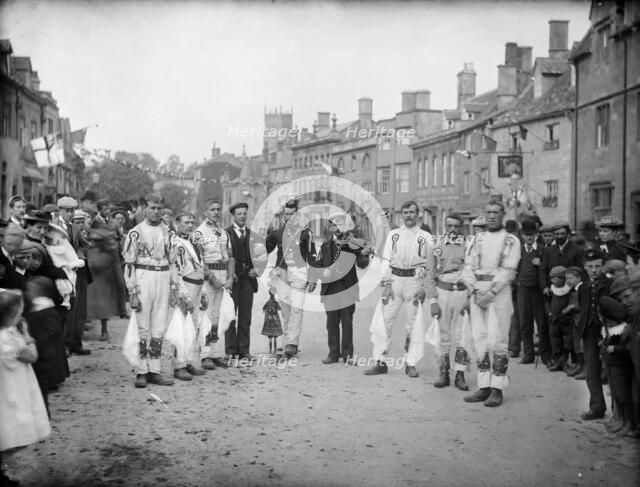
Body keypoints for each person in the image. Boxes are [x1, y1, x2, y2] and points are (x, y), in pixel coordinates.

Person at [461, 199, 521, 407]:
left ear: (503, 214)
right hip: (477, 293)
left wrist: (491, 292)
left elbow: (508, 271)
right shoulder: (476, 239)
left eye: (496, 212)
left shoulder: (511, 240)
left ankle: (497, 389)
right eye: (489, 212)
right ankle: (484, 386)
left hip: (499, 295)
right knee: (479, 338)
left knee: (498, 341)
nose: (492, 216)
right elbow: (467, 268)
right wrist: (476, 291)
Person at [364, 200, 433, 378]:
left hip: (414, 280)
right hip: (395, 280)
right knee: (384, 320)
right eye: (405, 212)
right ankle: (380, 361)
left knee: (413, 324)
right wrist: (387, 283)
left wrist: (424, 287)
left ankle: (410, 363)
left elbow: (431, 264)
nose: (409, 215)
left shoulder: (425, 236)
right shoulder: (394, 234)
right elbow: (386, 259)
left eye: (412, 212)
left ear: (418, 214)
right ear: (401, 214)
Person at [122, 193, 177, 388]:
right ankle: (142, 371)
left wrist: (173, 287)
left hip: (162, 277)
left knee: (159, 325)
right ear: (144, 209)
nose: (156, 212)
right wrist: (133, 292)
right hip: (144, 277)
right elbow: (129, 264)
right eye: (152, 208)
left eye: (159, 208)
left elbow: (173, 263)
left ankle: (155, 369)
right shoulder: (136, 232)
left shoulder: (168, 232)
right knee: (142, 326)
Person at [0, 289, 51, 486]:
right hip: (11, 390)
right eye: (19, 313)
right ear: (12, 316)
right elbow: (31, 356)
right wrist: (28, 337)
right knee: (9, 428)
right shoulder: (9, 338)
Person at [315, 212, 369, 365]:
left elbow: (362, 263)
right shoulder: (325, 245)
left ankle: (347, 354)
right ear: (330, 227)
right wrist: (321, 272)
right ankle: (333, 353)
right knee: (331, 322)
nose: (336, 228)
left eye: (339, 224)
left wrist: (364, 254)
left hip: (347, 287)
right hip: (330, 288)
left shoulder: (352, 244)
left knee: (347, 322)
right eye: (333, 225)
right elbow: (318, 264)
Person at [265, 199, 316, 358]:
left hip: (299, 272)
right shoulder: (277, 232)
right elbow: (266, 249)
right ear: (283, 215)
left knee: (297, 309)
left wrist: (313, 278)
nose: (288, 217)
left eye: (291, 214)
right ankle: (287, 341)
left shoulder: (306, 233)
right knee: (285, 308)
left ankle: (292, 344)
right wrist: (265, 234)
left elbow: (312, 256)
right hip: (282, 272)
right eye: (286, 214)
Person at [425, 214, 471, 390]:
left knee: (462, 335)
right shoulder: (436, 247)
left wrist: (470, 298)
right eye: (449, 226)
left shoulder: (468, 247)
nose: (452, 230)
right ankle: (443, 372)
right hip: (443, 291)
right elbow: (429, 276)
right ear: (445, 226)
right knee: (443, 335)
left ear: (461, 227)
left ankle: (460, 374)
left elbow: (472, 272)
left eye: (456, 226)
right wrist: (432, 301)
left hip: (462, 291)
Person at [194, 198, 234, 369]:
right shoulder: (199, 233)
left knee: (219, 314)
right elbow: (198, 260)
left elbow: (231, 256)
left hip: (223, 274)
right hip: (208, 276)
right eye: (212, 209)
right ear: (206, 212)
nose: (216, 212)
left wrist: (230, 277)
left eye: (218, 209)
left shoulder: (224, 233)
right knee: (207, 315)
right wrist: (212, 278)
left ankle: (216, 353)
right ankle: (205, 355)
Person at [575, 249, 611, 420]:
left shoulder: (610, 284)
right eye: (590, 266)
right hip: (589, 332)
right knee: (591, 371)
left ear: (603, 266)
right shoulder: (583, 287)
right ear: (584, 266)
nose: (594, 270)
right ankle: (597, 407)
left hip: (608, 332)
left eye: (598, 266)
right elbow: (583, 310)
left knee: (612, 371)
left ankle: (620, 415)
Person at [24, 276, 70, 410]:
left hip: (44, 352)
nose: (28, 292)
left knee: (41, 385)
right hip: (38, 350)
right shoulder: (34, 307)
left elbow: (51, 330)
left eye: (31, 290)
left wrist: (37, 342)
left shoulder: (47, 309)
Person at [172, 212, 208, 381]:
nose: (190, 225)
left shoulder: (194, 242)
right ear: (177, 223)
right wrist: (183, 295)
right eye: (186, 222)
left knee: (192, 326)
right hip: (185, 286)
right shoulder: (175, 243)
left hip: (197, 285)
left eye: (192, 222)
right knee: (180, 327)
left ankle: (188, 361)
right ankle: (178, 366)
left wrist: (204, 292)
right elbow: (176, 272)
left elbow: (201, 267)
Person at [225, 202, 258, 360]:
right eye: (239, 214)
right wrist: (228, 274)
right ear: (234, 216)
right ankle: (231, 351)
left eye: (244, 213)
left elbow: (260, 257)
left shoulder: (252, 235)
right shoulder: (226, 234)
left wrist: (257, 269)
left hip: (247, 281)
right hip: (232, 280)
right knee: (231, 315)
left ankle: (244, 350)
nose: (242, 216)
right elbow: (221, 256)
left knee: (246, 316)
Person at [514, 219, 549, 365]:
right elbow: (513, 269)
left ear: (536, 234)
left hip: (538, 290)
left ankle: (546, 355)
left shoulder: (542, 250)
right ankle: (528, 355)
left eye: (532, 234)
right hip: (523, 289)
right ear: (522, 235)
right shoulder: (518, 250)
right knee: (524, 323)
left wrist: (541, 263)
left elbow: (548, 269)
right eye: (526, 234)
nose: (529, 237)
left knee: (542, 323)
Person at [546, 266, 573, 372]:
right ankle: (557, 361)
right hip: (554, 319)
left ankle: (564, 360)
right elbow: (546, 302)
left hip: (566, 320)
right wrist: (549, 313)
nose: (552, 280)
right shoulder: (551, 290)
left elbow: (573, 303)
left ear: (562, 278)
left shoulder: (569, 290)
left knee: (568, 341)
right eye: (551, 278)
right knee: (555, 341)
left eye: (555, 278)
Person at [562, 266, 584, 377]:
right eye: (566, 278)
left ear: (579, 278)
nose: (568, 281)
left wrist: (571, 307)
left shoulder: (582, 289)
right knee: (576, 344)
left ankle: (582, 367)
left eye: (570, 278)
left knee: (580, 344)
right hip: (575, 320)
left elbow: (583, 304)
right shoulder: (573, 289)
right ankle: (578, 365)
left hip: (581, 321)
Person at [261, 290, 283, 355]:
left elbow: (264, 309)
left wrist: (268, 312)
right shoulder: (276, 302)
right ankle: (275, 350)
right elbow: (279, 308)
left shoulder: (267, 302)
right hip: (275, 320)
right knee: (275, 337)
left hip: (269, 320)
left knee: (270, 337)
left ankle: (270, 350)